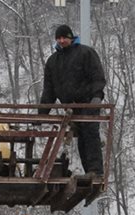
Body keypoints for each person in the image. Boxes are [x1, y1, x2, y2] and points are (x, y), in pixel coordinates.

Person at [39, 24, 106, 176]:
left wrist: (96, 96)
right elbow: (49, 90)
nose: (61, 41)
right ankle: (90, 170)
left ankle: (95, 170)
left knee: (89, 133)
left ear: (71, 37)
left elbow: (97, 76)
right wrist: (42, 113)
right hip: (71, 106)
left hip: (88, 102)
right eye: (59, 38)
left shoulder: (85, 53)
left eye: (64, 37)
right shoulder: (53, 62)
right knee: (81, 137)